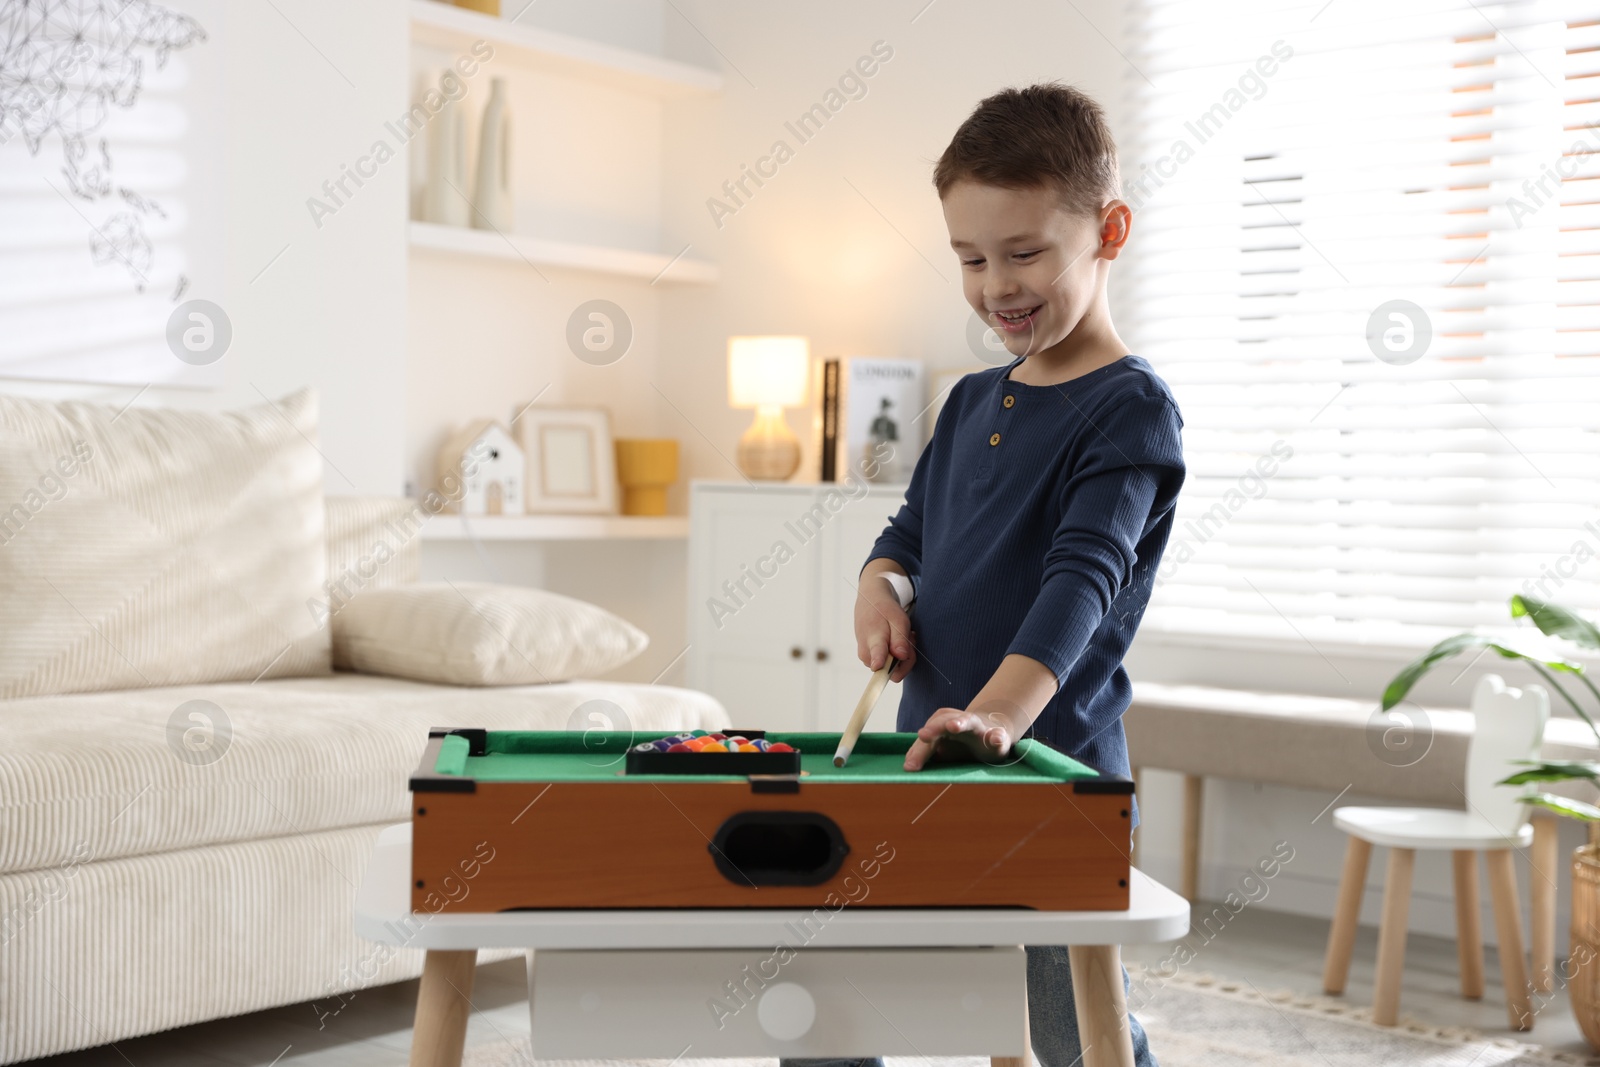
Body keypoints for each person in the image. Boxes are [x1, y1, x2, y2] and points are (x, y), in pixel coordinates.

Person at [791, 82, 1186, 1067]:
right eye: (970, 258)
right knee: (826, 1001)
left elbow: (1083, 580)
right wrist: (878, 581)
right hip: (926, 758)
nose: (994, 284)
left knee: (1066, 1030)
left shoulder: (1130, 409)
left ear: (1109, 230)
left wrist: (999, 714)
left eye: (1024, 253)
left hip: (1051, 773)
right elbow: (911, 530)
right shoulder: (969, 401)